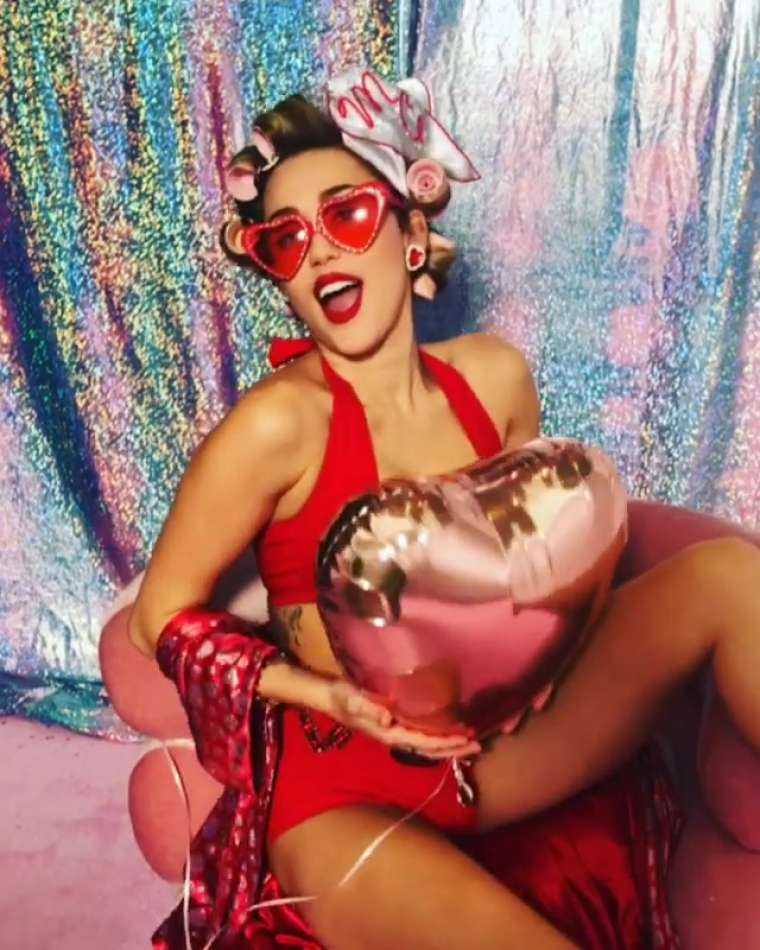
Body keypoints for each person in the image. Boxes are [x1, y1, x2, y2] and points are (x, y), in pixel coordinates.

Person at [128, 67, 759, 949]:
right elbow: (157, 616)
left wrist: (552, 651)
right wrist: (323, 693)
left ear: (412, 233)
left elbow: (547, 560)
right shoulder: (277, 425)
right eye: (287, 239)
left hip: (507, 746)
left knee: (727, 576)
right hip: (347, 787)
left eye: (347, 216)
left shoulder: (495, 379)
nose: (321, 253)